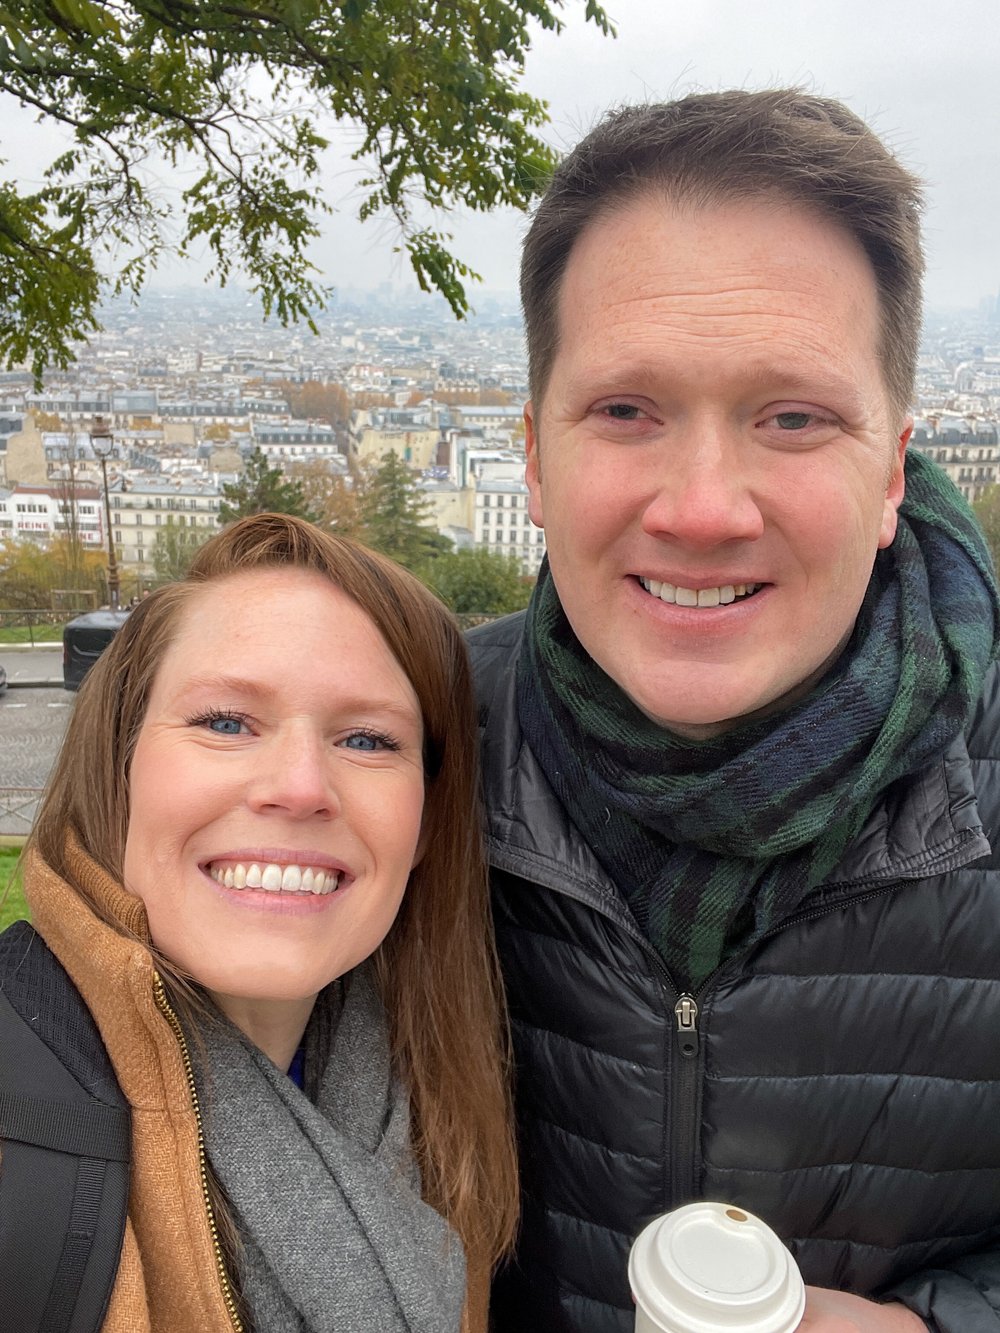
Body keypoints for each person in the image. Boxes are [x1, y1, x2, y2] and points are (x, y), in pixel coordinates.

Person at [468, 89, 1000, 1332]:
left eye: (793, 418)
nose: (703, 507)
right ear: (535, 464)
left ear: (892, 470)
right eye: (626, 411)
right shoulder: (403, 755)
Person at [17, 512, 517, 1332]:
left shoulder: (433, 1093)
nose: (298, 785)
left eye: (366, 737)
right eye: (225, 722)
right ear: (121, 763)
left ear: (427, 821)